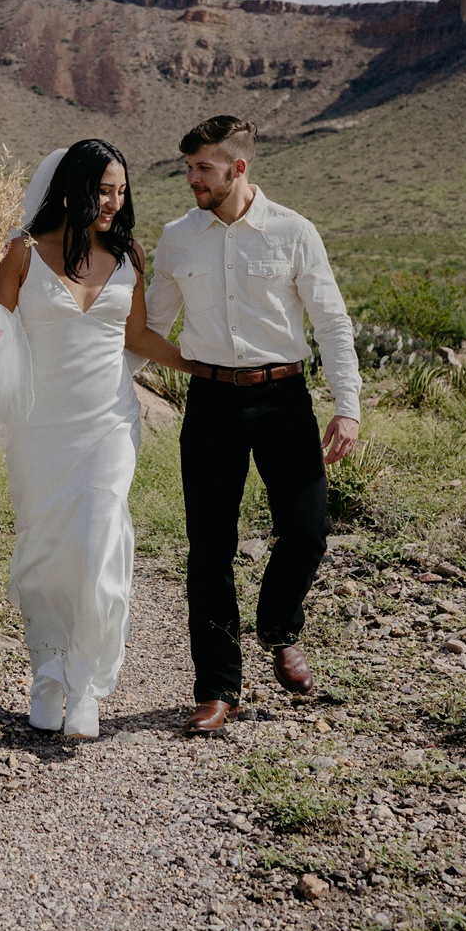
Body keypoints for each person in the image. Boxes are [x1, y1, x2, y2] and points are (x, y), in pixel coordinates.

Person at [0, 140, 191, 740]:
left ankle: (85, 682)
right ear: (70, 190)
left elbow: (138, 337)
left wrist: (209, 367)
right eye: (101, 190)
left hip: (109, 422)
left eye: (120, 190)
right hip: (39, 426)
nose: (112, 202)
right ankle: (47, 674)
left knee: (98, 541)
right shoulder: (23, 254)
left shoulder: (128, 256)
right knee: (46, 550)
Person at [145, 115, 361, 733]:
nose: (192, 179)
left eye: (202, 169)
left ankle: (278, 626)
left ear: (238, 169)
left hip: (284, 399)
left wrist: (347, 406)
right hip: (210, 406)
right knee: (208, 549)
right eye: (189, 168)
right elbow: (151, 326)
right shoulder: (177, 237)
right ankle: (217, 688)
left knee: (308, 530)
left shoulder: (294, 232)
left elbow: (332, 322)